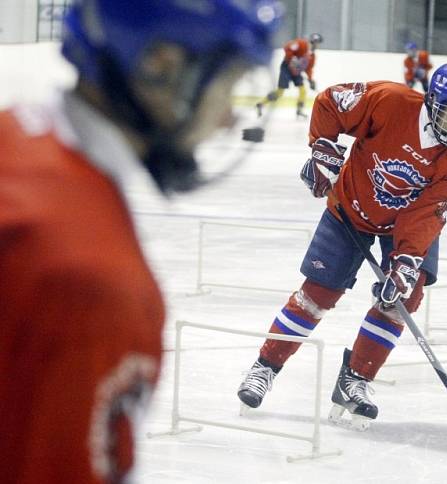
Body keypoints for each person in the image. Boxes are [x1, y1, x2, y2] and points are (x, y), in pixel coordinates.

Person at [0, 1, 280, 482]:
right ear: (160, 66)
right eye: (226, 85)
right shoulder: (92, 283)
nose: (230, 120)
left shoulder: (15, 134)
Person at [237, 64, 447, 430]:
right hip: (350, 205)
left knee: (404, 297)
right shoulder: (391, 101)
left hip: (405, 224)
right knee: (317, 293)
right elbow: (330, 103)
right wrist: (323, 148)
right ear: (432, 103)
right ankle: (265, 366)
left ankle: (356, 379)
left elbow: (427, 214)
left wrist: (405, 262)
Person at [256, 33, 323, 119]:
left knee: (303, 90)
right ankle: (261, 104)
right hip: (286, 68)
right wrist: (292, 59)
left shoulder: (312, 56)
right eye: (317, 43)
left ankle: (299, 110)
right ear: (313, 41)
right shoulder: (301, 43)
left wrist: (310, 80)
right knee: (280, 92)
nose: (318, 45)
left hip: (296, 72)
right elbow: (288, 47)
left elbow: (308, 69)